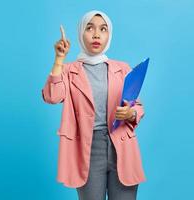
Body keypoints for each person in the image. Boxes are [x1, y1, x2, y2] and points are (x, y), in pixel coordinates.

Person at [42, 10, 146, 200]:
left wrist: (130, 113)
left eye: (103, 29)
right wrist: (59, 60)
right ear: (81, 32)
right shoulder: (68, 70)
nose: (96, 34)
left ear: (109, 34)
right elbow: (52, 97)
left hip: (122, 146)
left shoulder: (122, 69)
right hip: (87, 149)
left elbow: (137, 106)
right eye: (90, 28)